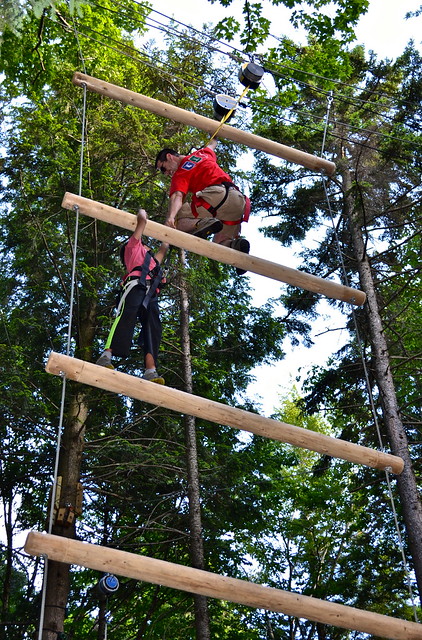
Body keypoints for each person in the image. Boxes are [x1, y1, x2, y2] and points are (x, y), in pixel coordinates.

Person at [155, 138, 251, 274]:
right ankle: (237, 248)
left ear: (170, 157)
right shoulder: (202, 153)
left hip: (216, 197)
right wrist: (216, 129)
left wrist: (170, 218)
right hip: (238, 200)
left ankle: (204, 223)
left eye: (163, 168)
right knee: (219, 245)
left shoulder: (180, 172)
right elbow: (213, 143)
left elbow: (177, 196)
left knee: (178, 220)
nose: (166, 173)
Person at [95, 208, 169, 384]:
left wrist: (169, 227)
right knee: (126, 316)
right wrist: (142, 215)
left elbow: (164, 247)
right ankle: (106, 356)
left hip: (151, 293)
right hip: (135, 285)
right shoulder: (132, 249)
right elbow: (141, 222)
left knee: (153, 327)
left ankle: (151, 370)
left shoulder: (153, 262)